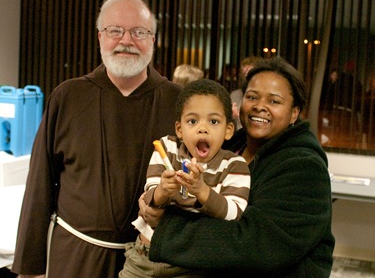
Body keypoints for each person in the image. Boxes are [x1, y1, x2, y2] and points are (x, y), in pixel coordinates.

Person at [11, 0, 182, 278]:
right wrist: (30, 266)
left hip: (151, 261)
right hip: (76, 256)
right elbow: (40, 183)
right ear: (100, 37)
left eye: (139, 32)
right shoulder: (68, 96)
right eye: (115, 30)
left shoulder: (178, 102)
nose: (126, 40)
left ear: (152, 39)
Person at [142, 57, 335, 277]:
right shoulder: (230, 146)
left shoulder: (304, 168)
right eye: (252, 97)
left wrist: (165, 226)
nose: (260, 106)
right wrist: (156, 198)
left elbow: (255, 243)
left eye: (274, 101)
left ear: (294, 113)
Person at [119, 79, 251, 277]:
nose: (202, 128)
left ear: (228, 130)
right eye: (192, 121)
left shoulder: (234, 165)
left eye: (213, 121)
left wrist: (201, 190)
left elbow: (234, 214)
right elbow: (148, 198)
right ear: (179, 129)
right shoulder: (167, 148)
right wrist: (163, 189)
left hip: (191, 265)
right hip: (143, 258)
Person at [230, 56, 263, 130]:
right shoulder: (235, 94)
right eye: (244, 73)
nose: (246, 77)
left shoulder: (263, 96)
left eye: (249, 73)